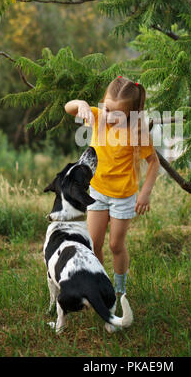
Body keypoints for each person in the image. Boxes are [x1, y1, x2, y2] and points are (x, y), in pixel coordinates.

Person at [64, 76, 160, 297]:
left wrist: (145, 193)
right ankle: (100, 286)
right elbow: (68, 107)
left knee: (116, 245)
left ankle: (120, 290)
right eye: (106, 108)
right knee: (93, 243)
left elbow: (153, 162)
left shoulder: (137, 132)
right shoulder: (97, 118)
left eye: (117, 114)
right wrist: (81, 105)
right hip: (97, 191)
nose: (109, 116)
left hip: (123, 197)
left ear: (130, 113)